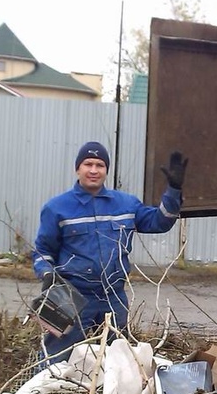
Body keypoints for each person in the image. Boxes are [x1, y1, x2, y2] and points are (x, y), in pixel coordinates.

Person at [32, 141, 188, 363]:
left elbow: (160, 222)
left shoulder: (126, 204)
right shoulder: (56, 208)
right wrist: (46, 273)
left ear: (106, 170)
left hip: (113, 296)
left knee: (116, 361)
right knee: (55, 358)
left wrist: (173, 190)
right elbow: (42, 250)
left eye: (100, 165)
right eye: (88, 164)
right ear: (78, 168)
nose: (94, 170)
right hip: (70, 295)